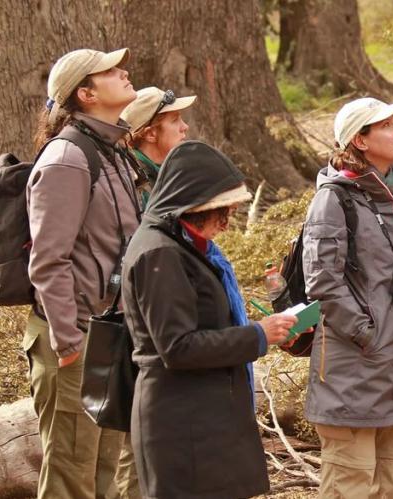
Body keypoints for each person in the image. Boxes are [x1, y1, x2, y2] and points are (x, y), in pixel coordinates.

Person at [120, 140, 295, 498]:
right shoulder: (160, 255)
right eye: (221, 211)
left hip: (206, 418)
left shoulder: (186, 246)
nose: (227, 223)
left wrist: (266, 333)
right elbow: (177, 347)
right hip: (181, 428)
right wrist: (257, 335)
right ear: (193, 204)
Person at [302, 97, 393, 498]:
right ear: (359, 140)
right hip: (352, 373)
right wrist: (367, 334)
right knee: (350, 489)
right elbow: (322, 283)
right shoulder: (334, 198)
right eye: (387, 125)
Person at [25, 48, 141, 498]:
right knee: (71, 481)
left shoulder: (110, 151)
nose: (124, 72)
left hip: (108, 335)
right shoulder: (68, 158)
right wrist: (70, 343)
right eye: (110, 71)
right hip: (75, 339)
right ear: (86, 93)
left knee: (105, 476)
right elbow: (48, 261)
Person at [120, 86, 196, 207]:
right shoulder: (137, 185)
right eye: (175, 120)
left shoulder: (167, 174)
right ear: (150, 134)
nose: (185, 126)